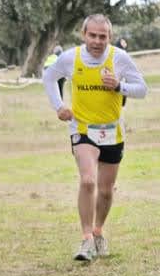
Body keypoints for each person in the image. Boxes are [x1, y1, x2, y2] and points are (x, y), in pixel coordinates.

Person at [42, 13, 148, 261]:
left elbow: (142, 89)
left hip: (112, 132)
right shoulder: (70, 58)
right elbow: (49, 77)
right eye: (92, 35)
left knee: (106, 190)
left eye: (103, 36)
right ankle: (86, 239)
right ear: (84, 34)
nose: (97, 41)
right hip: (82, 129)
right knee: (88, 181)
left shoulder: (119, 58)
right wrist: (59, 106)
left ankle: (98, 231)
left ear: (109, 37)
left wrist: (119, 86)